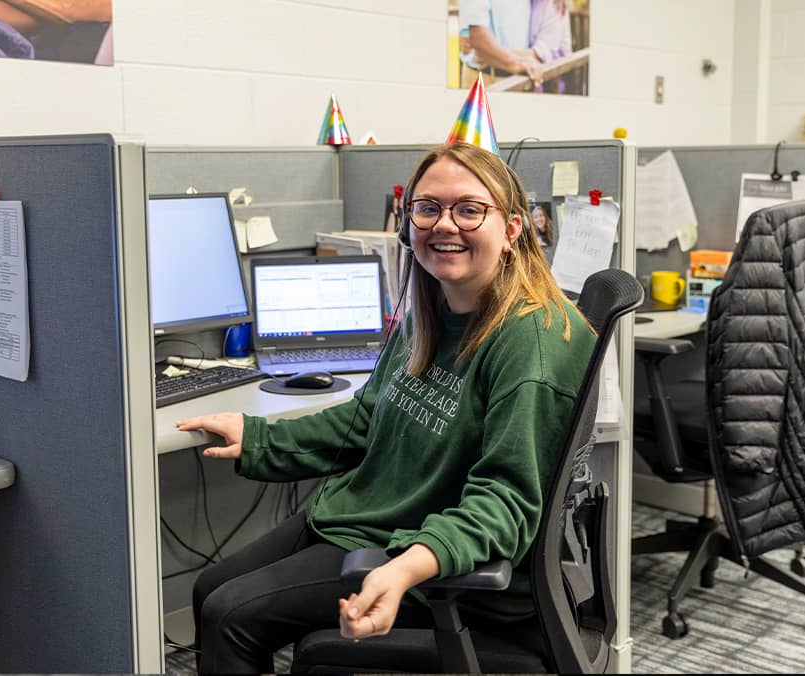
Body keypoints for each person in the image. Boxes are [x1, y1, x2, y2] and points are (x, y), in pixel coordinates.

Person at [177, 141, 597, 674]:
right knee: (210, 586)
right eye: (428, 208)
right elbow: (368, 419)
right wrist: (260, 437)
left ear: (512, 229)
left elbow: (506, 501)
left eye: (470, 209)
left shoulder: (530, 342)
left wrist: (403, 570)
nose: (446, 224)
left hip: (435, 552)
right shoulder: (432, 307)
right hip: (374, 514)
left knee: (228, 614)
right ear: (408, 224)